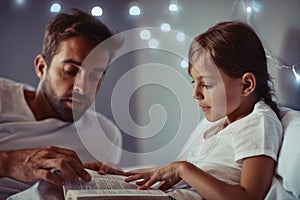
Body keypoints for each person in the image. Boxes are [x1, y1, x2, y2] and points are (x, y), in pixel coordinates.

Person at [124, 21, 285, 199]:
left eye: (206, 84)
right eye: (195, 82)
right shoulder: (218, 123)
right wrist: (121, 176)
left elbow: (248, 197)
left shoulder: (258, 124)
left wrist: (182, 168)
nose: (195, 94)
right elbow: (177, 174)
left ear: (246, 85)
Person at [0, 9, 123, 199]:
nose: (82, 87)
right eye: (71, 71)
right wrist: (9, 163)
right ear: (42, 67)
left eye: (95, 76)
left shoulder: (107, 135)